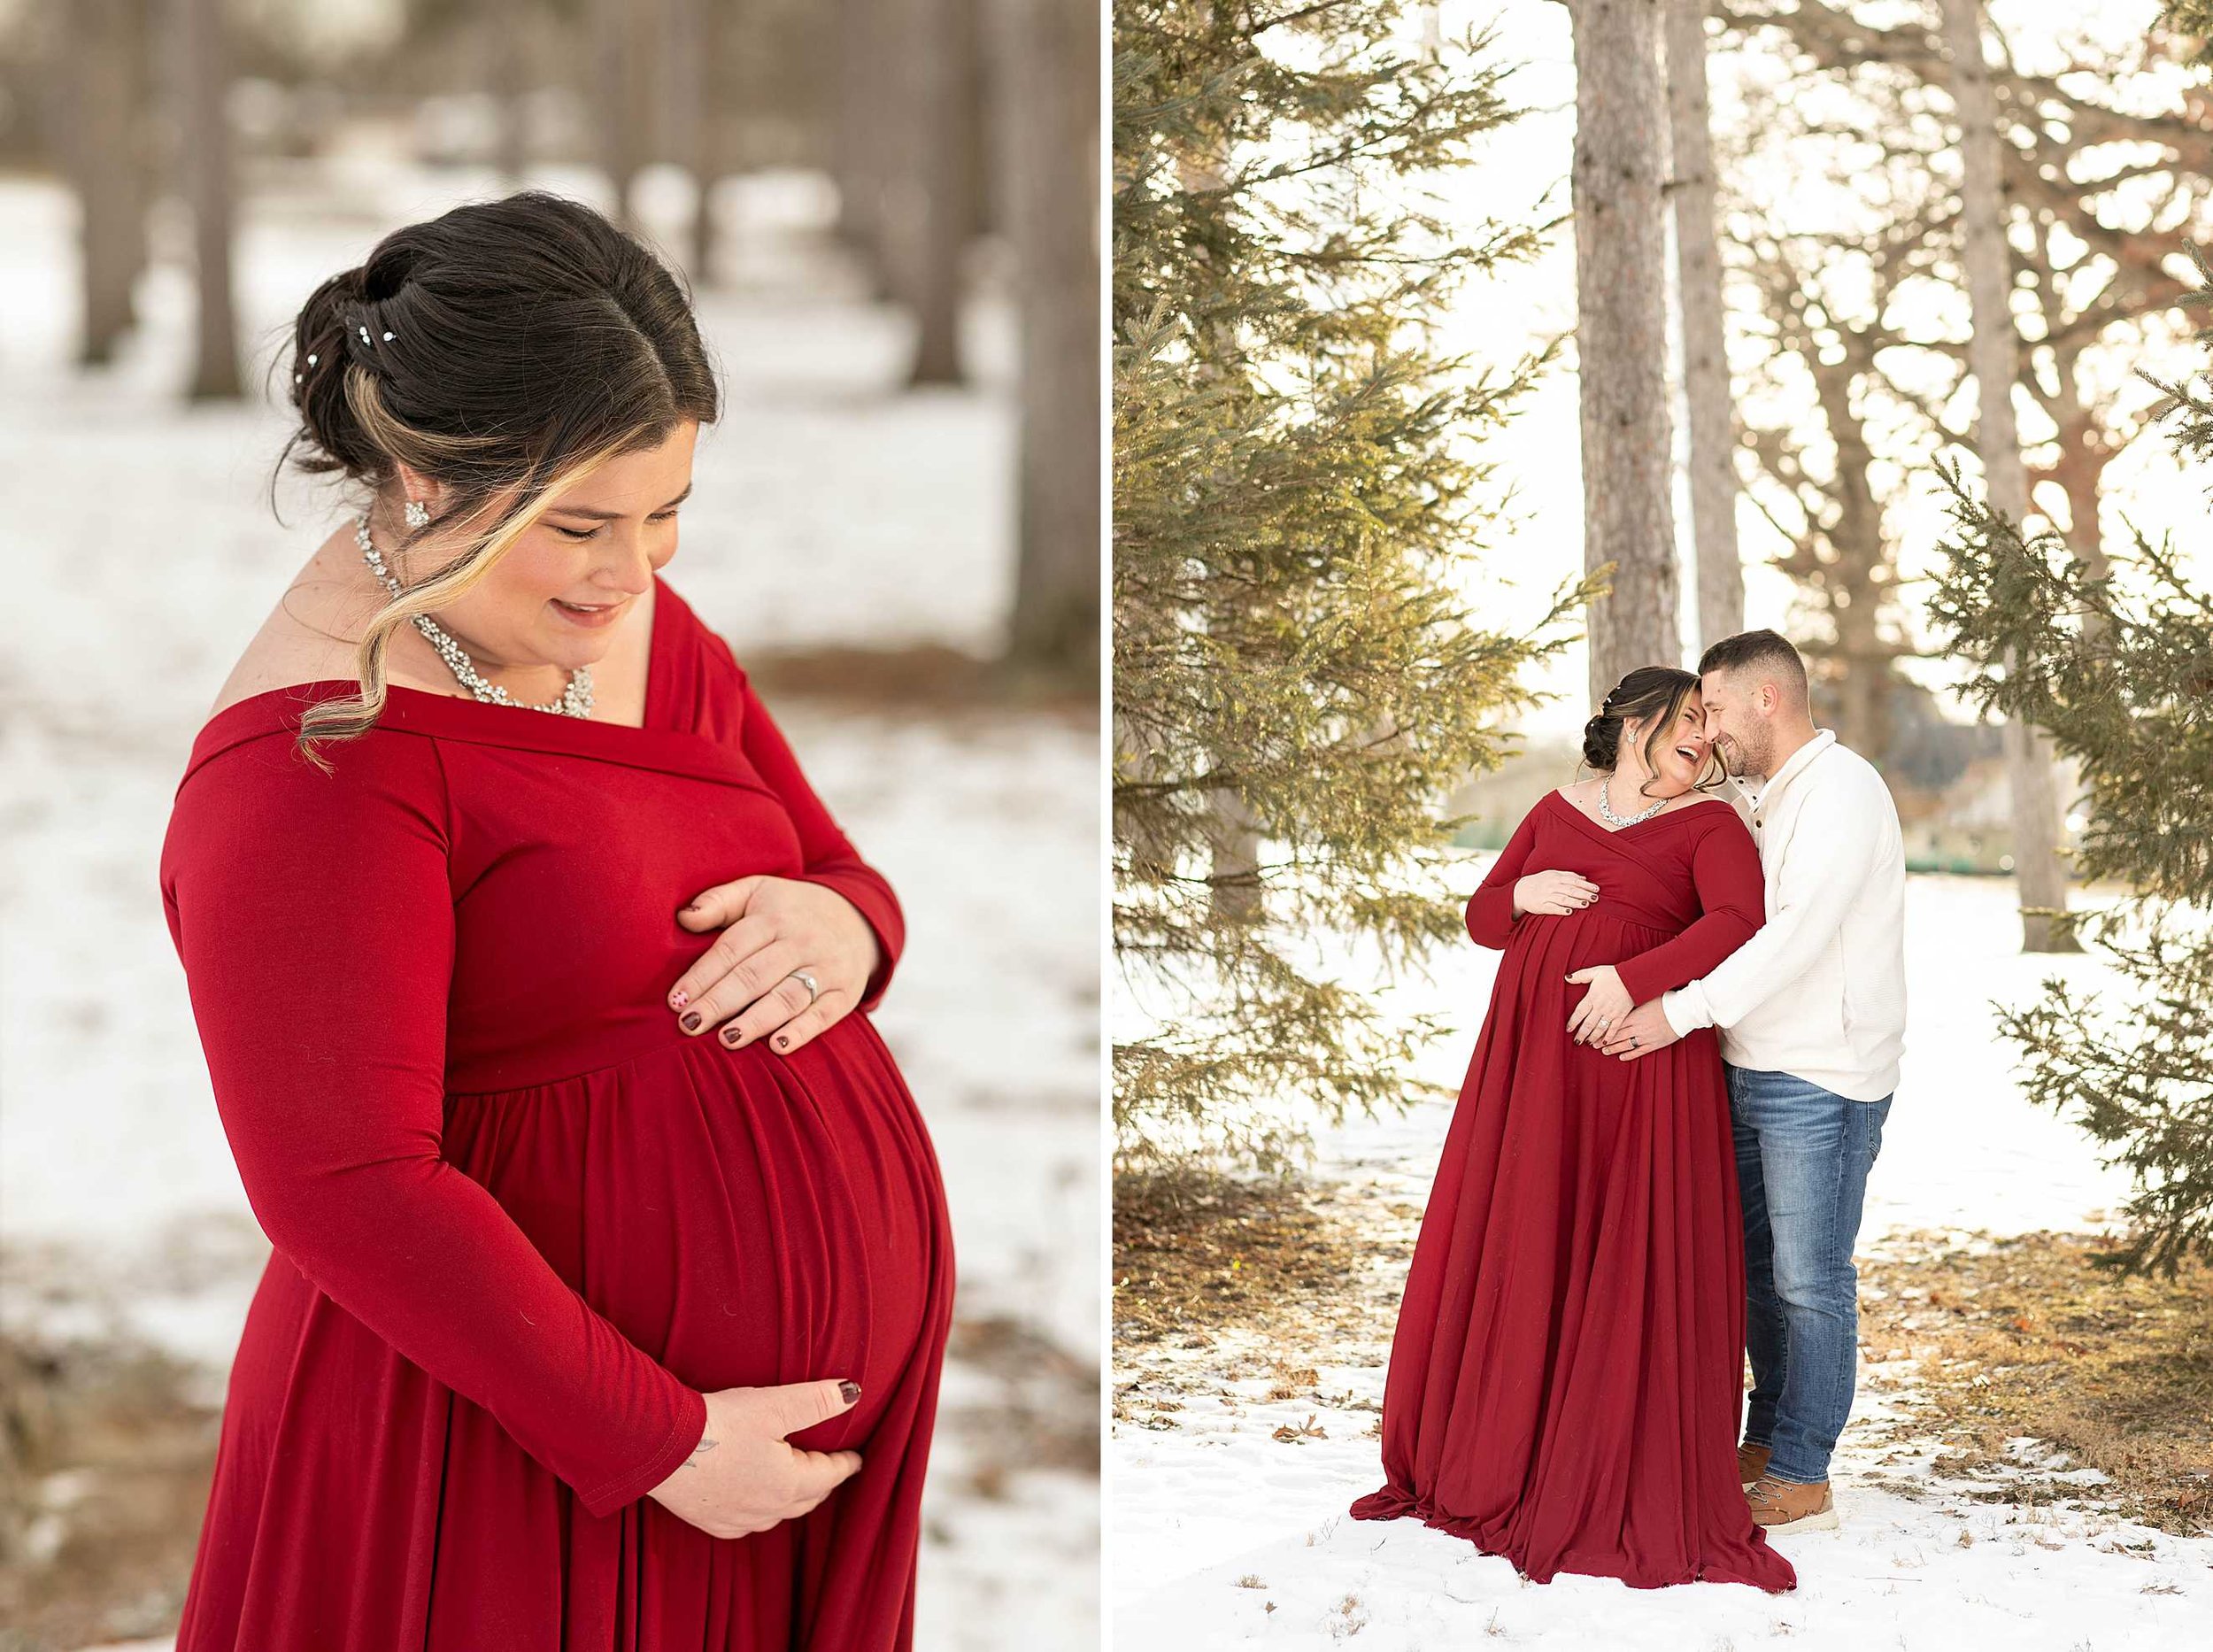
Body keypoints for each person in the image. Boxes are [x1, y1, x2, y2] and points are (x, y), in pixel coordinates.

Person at [158, 191, 954, 1651]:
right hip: (505, 1463)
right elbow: (345, 1185)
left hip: (728, 1466)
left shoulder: (629, 625)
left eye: (666, 513)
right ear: (422, 475)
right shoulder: (312, 762)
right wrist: (660, 1440)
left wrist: (849, 928)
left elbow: (835, 867)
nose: (631, 572)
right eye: (579, 523)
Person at [1350, 666, 1796, 1593]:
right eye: (1687, 720)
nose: (1704, 738)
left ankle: (1601, 1450)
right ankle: (1509, 1439)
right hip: (1532, 1075)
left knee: (1620, 1245)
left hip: (1639, 1067)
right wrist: (1522, 892)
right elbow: (1482, 919)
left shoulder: (1712, 825)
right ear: (1635, 725)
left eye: (1709, 725)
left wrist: (1634, 979)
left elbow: (1739, 922)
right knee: (1533, 1236)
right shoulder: (1555, 811)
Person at [1598, 629, 1907, 1535]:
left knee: (1810, 1282)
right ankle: (1767, 1441)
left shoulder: (1842, 792)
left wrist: (1677, 1011)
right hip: (1747, 1064)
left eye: (1717, 709)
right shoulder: (1758, 799)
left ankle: (1804, 1470)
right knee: (1760, 1279)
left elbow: (1791, 939)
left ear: (1766, 699)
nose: (1709, 730)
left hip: (1822, 1076)